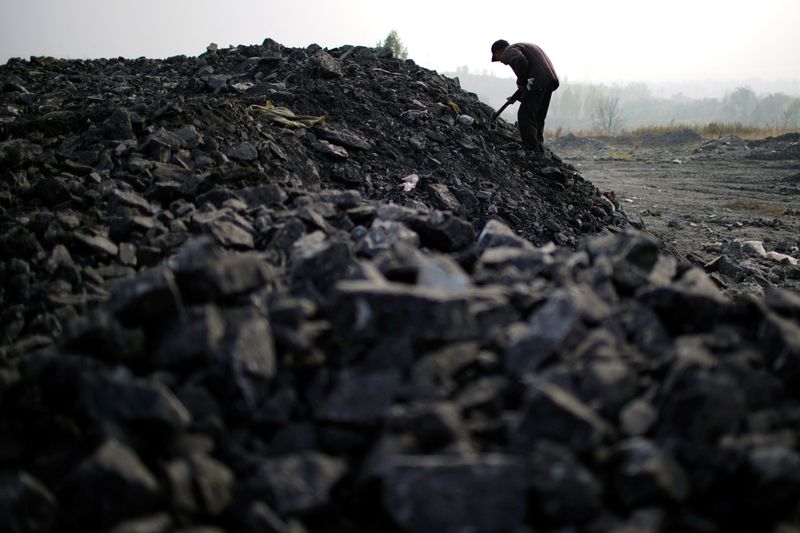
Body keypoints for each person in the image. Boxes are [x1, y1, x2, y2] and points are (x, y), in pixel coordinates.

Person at [491, 39, 559, 152]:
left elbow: (520, 61)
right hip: (548, 81)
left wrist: (520, 82)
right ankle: (538, 146)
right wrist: (515, 97)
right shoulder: (525, 46)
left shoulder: (509, 51)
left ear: (498, 51)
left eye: (497, 58)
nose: (501, 62)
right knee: (538, 116)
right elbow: (528, 74)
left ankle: (531, 148)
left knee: (525, 115)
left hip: (536, 82)